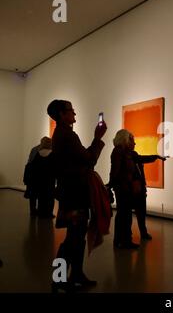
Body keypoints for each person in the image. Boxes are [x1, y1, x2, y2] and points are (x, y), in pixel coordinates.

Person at [47, 99, 107, 291]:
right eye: (71, 111)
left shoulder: (61, 134)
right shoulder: (68, 136)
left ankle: (76, 274)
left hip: (71, 191)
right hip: (75, 193)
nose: (75, 114)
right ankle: (59, 278)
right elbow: (89, 160)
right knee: (72, 239)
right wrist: (97, 138)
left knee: (77, 237)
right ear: (62, 115)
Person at [109, 129, 166, 249]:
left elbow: (141, 158)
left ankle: (123, 240)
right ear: (124, 139)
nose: (134, 143)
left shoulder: (131, 153)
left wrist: (155, 157)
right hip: (123, 189)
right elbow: (115, 171)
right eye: (132, 140)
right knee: (123, 216)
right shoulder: (118, 151)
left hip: (129, 189)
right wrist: (112, 185)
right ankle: (122, 241)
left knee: (126, 215)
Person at [23, 137, 52, 217]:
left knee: (33, 195)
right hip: (40, 177)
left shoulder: (35, 149)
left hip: (32, 176)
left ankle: (33, 211)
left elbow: (29, 162)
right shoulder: (48, 151)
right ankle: (40, 211)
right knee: (41, 195)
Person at [30, 137, 56, 218]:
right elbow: (55, 167)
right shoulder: (52, 154)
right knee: (50, 197)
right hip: (50, 179)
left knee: (41, 197)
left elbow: (33, 166)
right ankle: (49, 213)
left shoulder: (38, 153)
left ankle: (41, 212)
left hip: (40, 179)